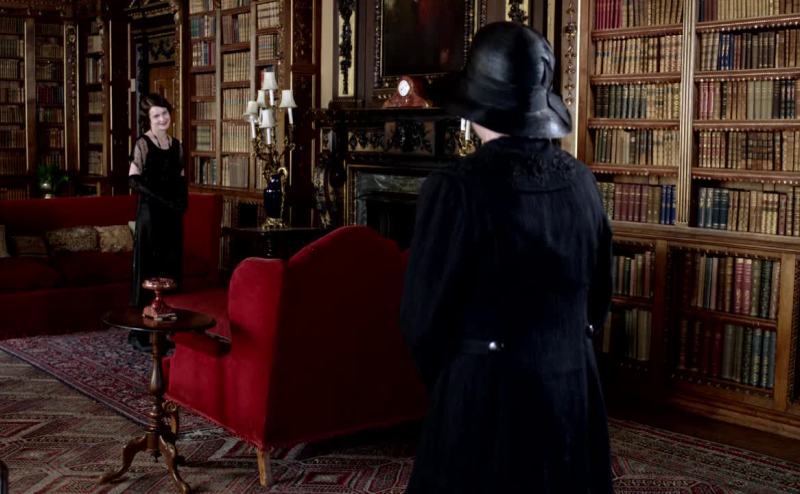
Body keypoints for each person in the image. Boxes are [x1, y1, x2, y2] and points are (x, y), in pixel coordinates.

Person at [400, 22, 614, 493]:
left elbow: (422, 321)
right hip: (572, 390)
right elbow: (599, 299)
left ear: (476, 103)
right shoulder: (583, 181)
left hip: (486, 401)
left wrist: (457, 382)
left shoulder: (455, 188)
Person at [128, 93, 187, 351]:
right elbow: (133, 180)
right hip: (150, 216)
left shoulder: (177, 145)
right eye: (156, 115)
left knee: (168, 269)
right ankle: (141, 334)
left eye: (164, 113)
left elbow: (181, 178)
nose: (162, 118)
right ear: (148, 119)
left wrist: (182, 204)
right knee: (148, 271)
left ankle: (164, 330)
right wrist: (161, 199)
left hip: (171, 216)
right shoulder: (142, 143)